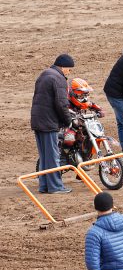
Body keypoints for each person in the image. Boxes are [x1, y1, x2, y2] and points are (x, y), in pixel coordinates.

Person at [30, 54, 75, 194]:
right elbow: (62, 104)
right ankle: (56, 186)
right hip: (48, 122)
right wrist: (68, 121)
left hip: (38, 120)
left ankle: (44, 186)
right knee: (53, 156)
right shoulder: (58, 78)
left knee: (44, 156)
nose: (69, 72)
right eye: (69, 69)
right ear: (62, 67)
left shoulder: (44, 74)